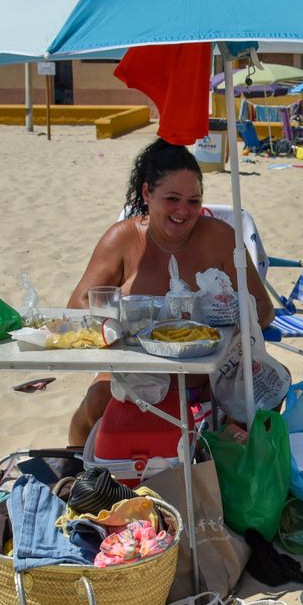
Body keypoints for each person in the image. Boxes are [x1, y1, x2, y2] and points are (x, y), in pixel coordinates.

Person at [64, 140, 275, 446]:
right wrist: (130, 320)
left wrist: (223, 314)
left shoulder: (220, 238)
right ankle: (77, 472)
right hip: (134, 373)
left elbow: (264, 309)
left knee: (255, 410)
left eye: (193, 201)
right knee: (97, 400)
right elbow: (77, 305)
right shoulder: (123, 239)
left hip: (207, 377)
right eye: (172, 198)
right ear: (147, 193)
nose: (183, 211)